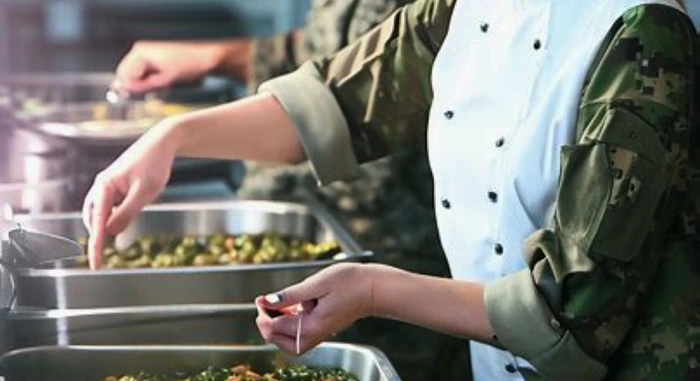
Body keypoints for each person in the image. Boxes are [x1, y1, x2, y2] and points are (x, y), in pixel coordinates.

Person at [83, 0, 699, 379]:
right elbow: (334, 105)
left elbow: (574, 311)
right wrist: (172, 137)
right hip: (497, 367)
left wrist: (374, 288)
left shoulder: (642, 32)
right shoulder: (461, 8)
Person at [106, 1, 470, 380]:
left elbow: (361, 94)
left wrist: (377, 290)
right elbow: (344, 88)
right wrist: (174, 135)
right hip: (361, 263)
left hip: (402, 245)